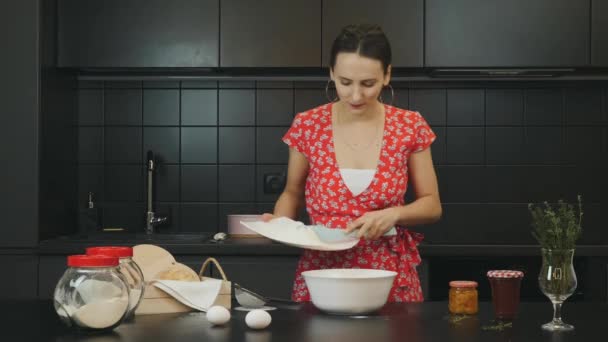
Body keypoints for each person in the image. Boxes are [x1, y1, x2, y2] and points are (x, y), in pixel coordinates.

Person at [262, 24, 442, 302]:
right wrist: (280, 225)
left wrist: (394, 214)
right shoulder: (308, 125)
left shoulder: (410, 125)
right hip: (322, 274)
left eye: (368, 84)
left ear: (387, 75)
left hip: (388, 276)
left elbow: (431, 204)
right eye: (345, 82)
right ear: (332, 73)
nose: (355, 96)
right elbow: (292, 193)